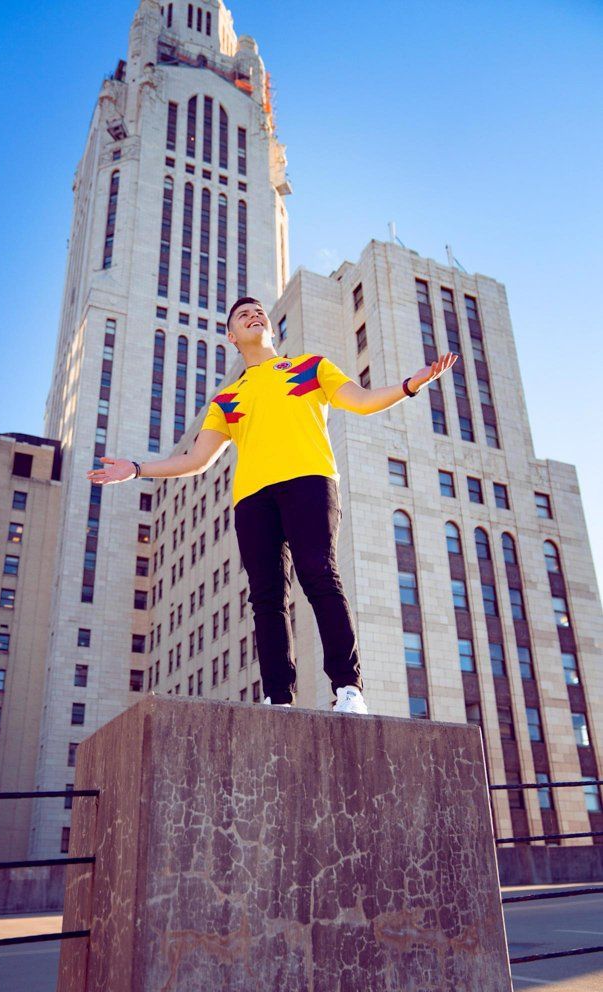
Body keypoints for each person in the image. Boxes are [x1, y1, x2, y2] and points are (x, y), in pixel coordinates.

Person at [86, 296, 458, 713]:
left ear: (272, 327)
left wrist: (413, 384)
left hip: (310, 482)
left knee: (318, 572)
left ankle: (349, 689)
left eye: (259, 311)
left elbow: (363, 401)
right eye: (243, 315)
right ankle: (278, 699)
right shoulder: (227, 399)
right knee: (267, 597)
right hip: (252, 499)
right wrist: (137, 469)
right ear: (231, 336)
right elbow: (195, 461)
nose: (254, 315)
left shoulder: (310, 367)